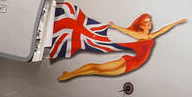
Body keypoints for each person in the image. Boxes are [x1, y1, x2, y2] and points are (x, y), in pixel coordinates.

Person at [57, 13, 185, 81]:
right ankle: (70, 74)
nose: (149, 23)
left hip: (132, 66)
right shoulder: (140, 35)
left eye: (149, 20)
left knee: (98, 71)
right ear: (141, 25)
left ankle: (70, 75)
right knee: (97, 68)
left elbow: (163, 30)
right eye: (146, 21)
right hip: (129, 61)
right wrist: (116, 26)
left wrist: (177, 23)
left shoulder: (150, 36)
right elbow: (127, 32)